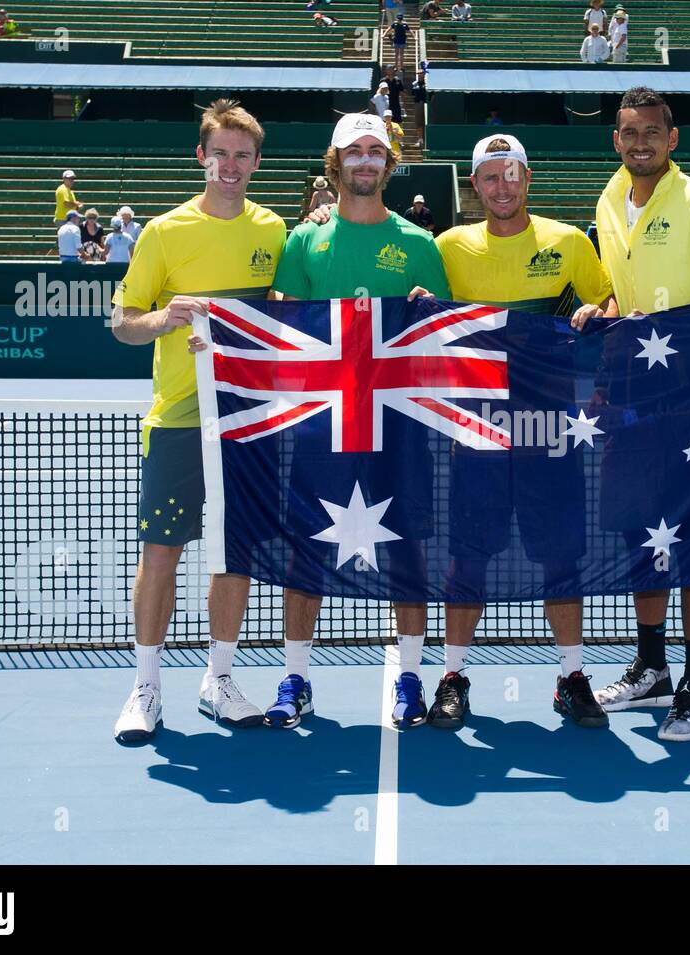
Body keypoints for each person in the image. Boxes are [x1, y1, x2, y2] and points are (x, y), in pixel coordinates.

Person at [576, 87, 690, 742]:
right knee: (641, 534)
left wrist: (678, 341)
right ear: (616, 139)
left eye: (651, 132)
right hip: (633, 400)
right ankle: (652, 666)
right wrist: (601, 309)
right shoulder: (607, 200)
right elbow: (620, 291)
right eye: (629, 132)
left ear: (672, 138)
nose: (639, 142)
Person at [261, 111, 451, 732]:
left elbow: (443, 342)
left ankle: (410, 678)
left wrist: (430, 313)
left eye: (376, 151)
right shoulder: (303, 240)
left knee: (408, 553)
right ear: (335, 161)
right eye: (354, 151)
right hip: (323, 426)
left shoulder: (420, 245)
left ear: (388, 164)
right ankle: (296, 678)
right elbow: (281, 326)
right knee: (305, 553)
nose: (366, 161)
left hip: (398, 429)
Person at [419, 133, 615, 729]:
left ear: (527, 178)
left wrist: (595, 312)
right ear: (473, 186)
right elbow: (419, 312)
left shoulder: (569, 243)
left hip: (550, 429)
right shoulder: (448, 247)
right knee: (467, 556)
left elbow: (610, 302)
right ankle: (452, 676)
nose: (502, 187)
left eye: (512, 175)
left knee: (560, 555)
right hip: (476, 431)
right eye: (489, 177)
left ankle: (571, 676)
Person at [109, 100, 286, 743]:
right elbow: (123, 323)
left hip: (247, 421)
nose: (231, 165)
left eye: (243, 155)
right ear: (201, 157)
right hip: (178, 423)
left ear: (256, 163)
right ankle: (146, 687)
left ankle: (219, 679)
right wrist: (166, 317)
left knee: (232, 553)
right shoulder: (162, 233)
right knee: (162, 553)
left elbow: (289, 314)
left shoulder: (275, 234)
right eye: (221, 153)